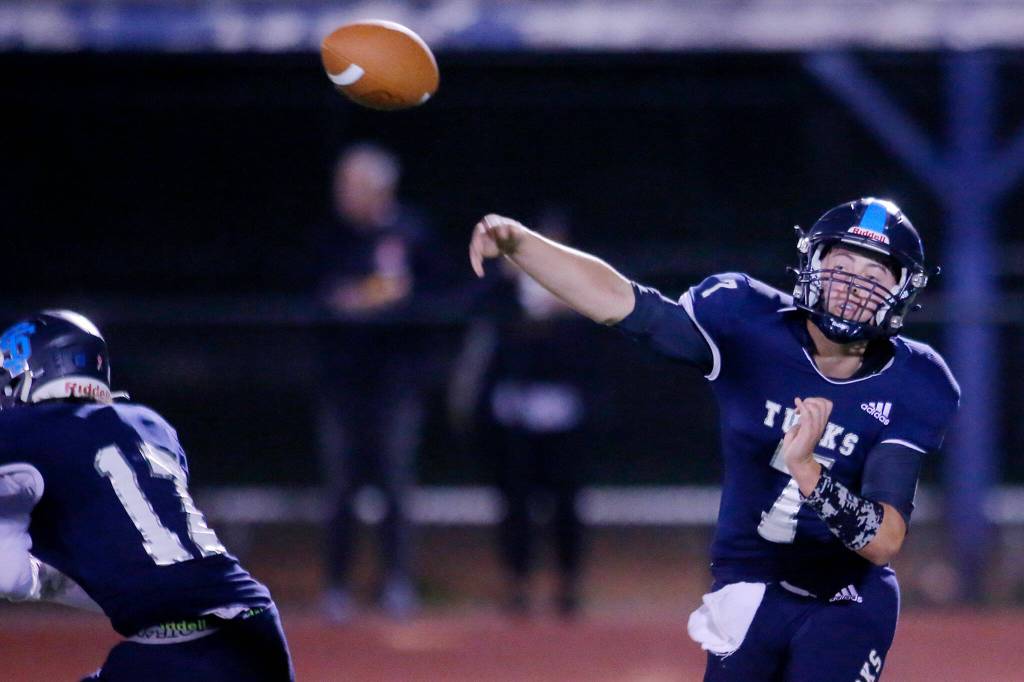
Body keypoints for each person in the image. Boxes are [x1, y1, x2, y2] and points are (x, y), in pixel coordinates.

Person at [468, 198, 959, 681]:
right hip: (747, 582)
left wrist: (809, 470)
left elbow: (883, 541)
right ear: (811, 263)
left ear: (902, 292)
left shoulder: (915, 380)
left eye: (873, 276)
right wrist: (522, 245)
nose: (852, 285)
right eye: (842, 264)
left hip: (848, 597)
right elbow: (624, 303)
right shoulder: (746, 318)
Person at [0, 310, 293, 681]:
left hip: (183, 649)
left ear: (33, 374)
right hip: (255, 622)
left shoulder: (31, 431)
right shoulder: (150, 426)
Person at [314, 143, 441, 621]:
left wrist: (374, 303)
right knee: (340, 487)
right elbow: (319, 296)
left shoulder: (412, 232)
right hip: (342, 384)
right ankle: (336, 587)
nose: (343, 195)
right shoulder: (330, 236)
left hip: (396, 383)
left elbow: (431, 296)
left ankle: (398, 582)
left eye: (353, 186)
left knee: (395, 486)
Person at [459, 208, 594, 617]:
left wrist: (565, 309)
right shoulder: (503, 286)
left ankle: (567, 584)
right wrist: (506, 282)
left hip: (563, 411)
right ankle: (516, 582)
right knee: (515, 501)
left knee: (566, 502)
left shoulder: (582, 287)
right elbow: (474, 315)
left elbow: (596, 346)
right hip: (514, 412)